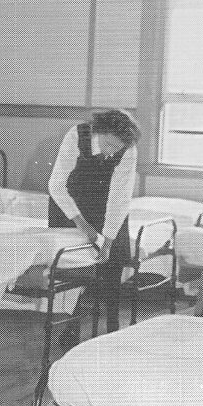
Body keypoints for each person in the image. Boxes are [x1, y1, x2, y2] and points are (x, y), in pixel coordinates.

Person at [48, 109, 140, 333]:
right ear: (100, 131)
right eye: (107, 143)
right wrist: (83, 226)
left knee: (112, 264)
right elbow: (56, 185)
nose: (109, 152)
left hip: (105, 204)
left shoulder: (128, 149)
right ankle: (71, 326)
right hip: (70, 204)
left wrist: (107, 241)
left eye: (115, 148)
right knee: (74, 268)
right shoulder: (76, 136)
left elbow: (120, 196)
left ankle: (112, 326)